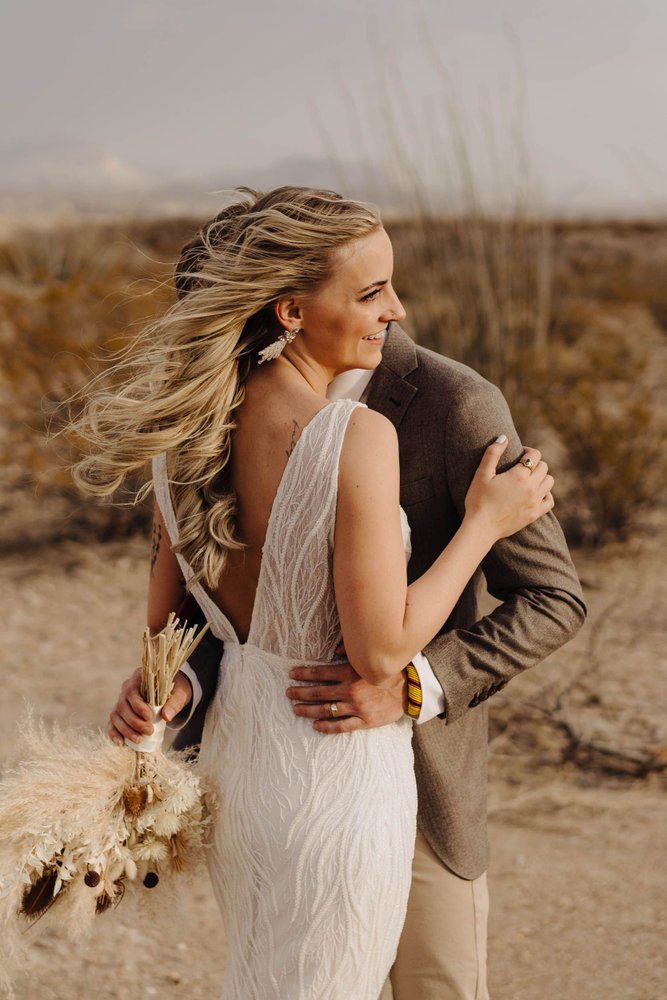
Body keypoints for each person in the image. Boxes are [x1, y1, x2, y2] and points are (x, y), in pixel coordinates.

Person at [99, 186, 580, 1000]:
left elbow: (551, 598)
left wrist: (417, 687)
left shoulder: (455, 404)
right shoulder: (247, 423)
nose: (396, 309)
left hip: (403, 781)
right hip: (309, 781)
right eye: (372, 291)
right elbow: (223, 619)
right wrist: (186, 680)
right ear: (287, 309)